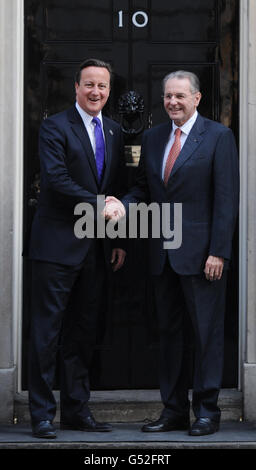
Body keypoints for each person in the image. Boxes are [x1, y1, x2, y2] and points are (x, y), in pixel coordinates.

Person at [104, 70, 239, 436]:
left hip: (202, 258)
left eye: (180, 96)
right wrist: (122, 205)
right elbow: (144, 188)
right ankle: (174, 411)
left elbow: (226, 201)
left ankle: (207, 412)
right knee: (169, 335)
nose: (172, 103)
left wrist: (219, 252)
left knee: (206, 335)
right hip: (161, 255)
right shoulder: (153, 137)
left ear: (196, 98)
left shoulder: (218, 137)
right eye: (167, 96)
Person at [28, 58, 126, 438]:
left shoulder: (115, 132)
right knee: (47, 333)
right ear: (76, 87)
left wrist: (116, 240)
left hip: (97, 250)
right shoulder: (55, 127)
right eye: (89, 85)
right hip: (55, 247)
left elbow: (115, 187)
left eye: (102, 86)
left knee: (83, 332)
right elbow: (56, 181)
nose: (95, 92)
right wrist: (100, 205)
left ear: (108, 90)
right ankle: (40, 414)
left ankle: (75, 410)